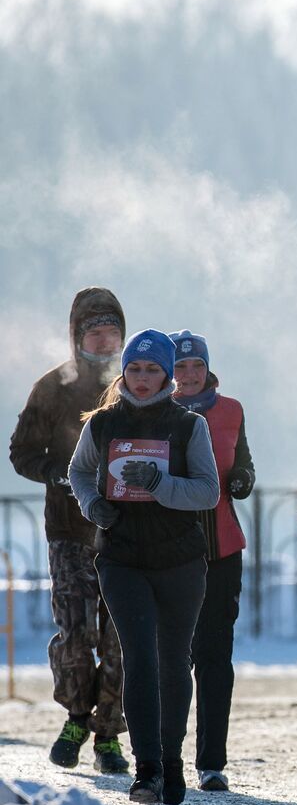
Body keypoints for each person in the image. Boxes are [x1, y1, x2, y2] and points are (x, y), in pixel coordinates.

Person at [68, 329, 220, 805]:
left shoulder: (189, 425)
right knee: (139, 659)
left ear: (168, 374)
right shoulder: (102, 424)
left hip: (179, 558)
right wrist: (93, 505)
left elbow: (207, 492)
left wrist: (160, 482)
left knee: (174, 661)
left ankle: (172, 764)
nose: (142, 378)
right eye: (135, 368)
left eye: (153, 369)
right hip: (122, 557)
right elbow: (78, 472)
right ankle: (146, 768)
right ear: (124, 371)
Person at [9, 288, 130, 774]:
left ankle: (108, 734)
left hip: (126, 533)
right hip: (69, 530)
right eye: (94, 333)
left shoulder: (137, 383)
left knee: (121, 636)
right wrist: (60, 472)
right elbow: (21, 453)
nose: (104, 342)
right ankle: (76, 717)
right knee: (75, 633)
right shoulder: (52, 388)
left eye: (112, 333)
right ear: (78, 336)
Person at [168, 330, 255, 793]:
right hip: (168, 552)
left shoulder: (232, 410)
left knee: (214, 657)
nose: (188, 375)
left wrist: (242, 478)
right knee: (170, 658)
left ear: (207, 368)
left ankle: (212, 763)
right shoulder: (157, 412)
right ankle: (165, 757)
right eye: (180, 367)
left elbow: (244, 464)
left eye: (195, 366)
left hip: (221, 548)